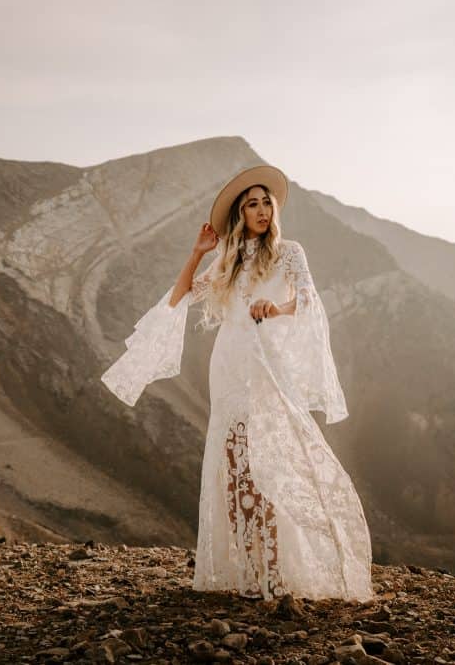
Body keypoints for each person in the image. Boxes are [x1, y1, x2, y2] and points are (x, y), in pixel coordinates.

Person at [101, 165, 373, 602]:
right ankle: (249, 571)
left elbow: (307, 301)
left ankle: (276, 572)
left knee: (271, 462)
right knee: (235, 468)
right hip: (228, 366)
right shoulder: (227, 260)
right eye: (253, 204)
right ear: (240, 214)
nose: (263, 210)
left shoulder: (290, 252)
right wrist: (197, 252)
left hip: (269, 365)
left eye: (268, 202)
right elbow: (180, 298)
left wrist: (276, 307)